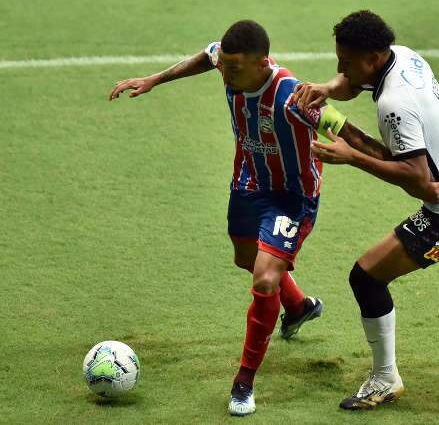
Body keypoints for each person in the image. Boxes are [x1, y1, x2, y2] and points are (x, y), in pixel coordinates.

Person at [293, 10, 439, 410]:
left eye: (345, 63)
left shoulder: (393, 104)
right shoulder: (403, 55)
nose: (339, 69)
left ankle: (385, 379)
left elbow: (416, 180)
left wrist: (352, 156)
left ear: (371, 58)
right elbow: (355, 85)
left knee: (366, 277)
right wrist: (329, 88)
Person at [109, 20, 342, 416]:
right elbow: (209, 54)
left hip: (292, 197)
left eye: (235, 70)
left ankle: (243, 383)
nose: (227, 75)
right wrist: (153, 79)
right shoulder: (227, 63)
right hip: (248, 183)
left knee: (266, 278)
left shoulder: (293, 96)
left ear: (263, 63)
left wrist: (396, 163)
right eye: (226, 68)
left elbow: (343, 127)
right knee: (246, 259)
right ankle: (300, 307)